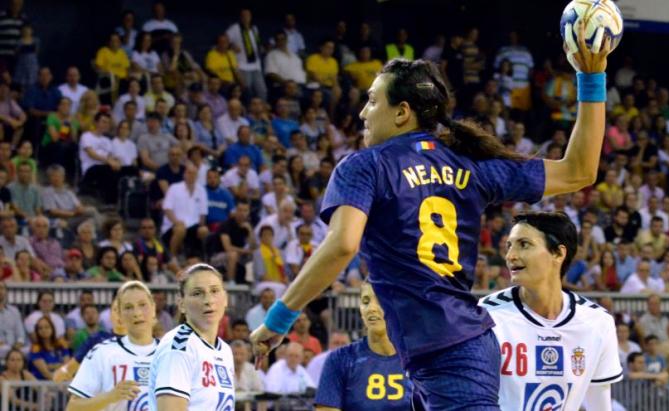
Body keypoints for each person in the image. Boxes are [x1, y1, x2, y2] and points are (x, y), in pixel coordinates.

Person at [252, 28, 610, 408]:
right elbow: (579, 172)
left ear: (402, 112)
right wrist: (591, 76)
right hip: (454, 349)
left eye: (372, 101)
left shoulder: (366, 166)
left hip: (447, 351)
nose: (362, 112)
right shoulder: (471, 164)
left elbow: (342, 244)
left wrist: (278, 320)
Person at [479, 212, 622, 410]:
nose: (510, 256)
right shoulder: (485, 315)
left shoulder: (597, 322)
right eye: (509, 246)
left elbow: (599, 405)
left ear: (558, 253)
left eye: (524, 244)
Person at [149, 264, 235, 410]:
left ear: (225, 299)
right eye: (197, 293)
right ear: (181, 304)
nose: (208, 300)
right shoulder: (178, 346)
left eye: (214, 291)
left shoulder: (224, 350)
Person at [315, 280, 411, 410]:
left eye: (380, 301)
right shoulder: (340, 359)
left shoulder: (422, 361)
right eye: (366, 301)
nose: (371, 308)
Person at [67, 281, 159, 411]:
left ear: (154, 308)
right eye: (128, 307)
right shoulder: (102, 352)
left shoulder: (172, 353)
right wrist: (109, 397)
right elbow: (72, 407)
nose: (137, 313)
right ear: (120, 316)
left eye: (142, 305)